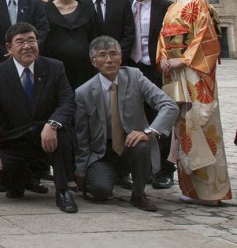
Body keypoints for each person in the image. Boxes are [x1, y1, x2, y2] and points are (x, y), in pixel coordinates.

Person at [157, 0, 232, 206]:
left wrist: (185, 59)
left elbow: (205, 38)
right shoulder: (172, 8)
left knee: (200, 123)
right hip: (177, 73)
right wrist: (165, 58)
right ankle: (193, 190)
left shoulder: (198, 3)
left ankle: (212, 192)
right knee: (183, 129)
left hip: (195, 73)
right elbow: (163, 40)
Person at [0, 23, 77, 213]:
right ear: (9, 48)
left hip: (47, 135)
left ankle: (63, 191)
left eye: (31, 40)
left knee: (63, 136)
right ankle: (19, 182)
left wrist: (53, 124)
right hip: (16, 139)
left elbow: (68, 101)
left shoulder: (55, 67)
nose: (27, 46)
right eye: (20, 42)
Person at [75, 36, 179, 211]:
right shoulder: (83, 93)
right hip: (104, 152)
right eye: (102, 55)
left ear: (121, 57)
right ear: (94, 62)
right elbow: (82, 135)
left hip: (132, 144)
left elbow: (169, 105)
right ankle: (109, 177)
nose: (109, 60)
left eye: (113, 54)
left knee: (142, 145)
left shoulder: (135, 76)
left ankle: (138, 194)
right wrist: (81, 169)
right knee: (99, 191)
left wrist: (149, 131)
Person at [125, 0, 175, 189]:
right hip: (134, 69)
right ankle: (141, 169)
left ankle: (164, 170)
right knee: (136, 117)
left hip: (158, 69)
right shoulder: (124, 7)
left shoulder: (167, 8)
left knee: (162, 117)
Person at [43, 0, 99, 89]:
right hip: (54, 71)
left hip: (85, 70)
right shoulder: (44, 10)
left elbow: (95, 38)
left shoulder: (87, 9)